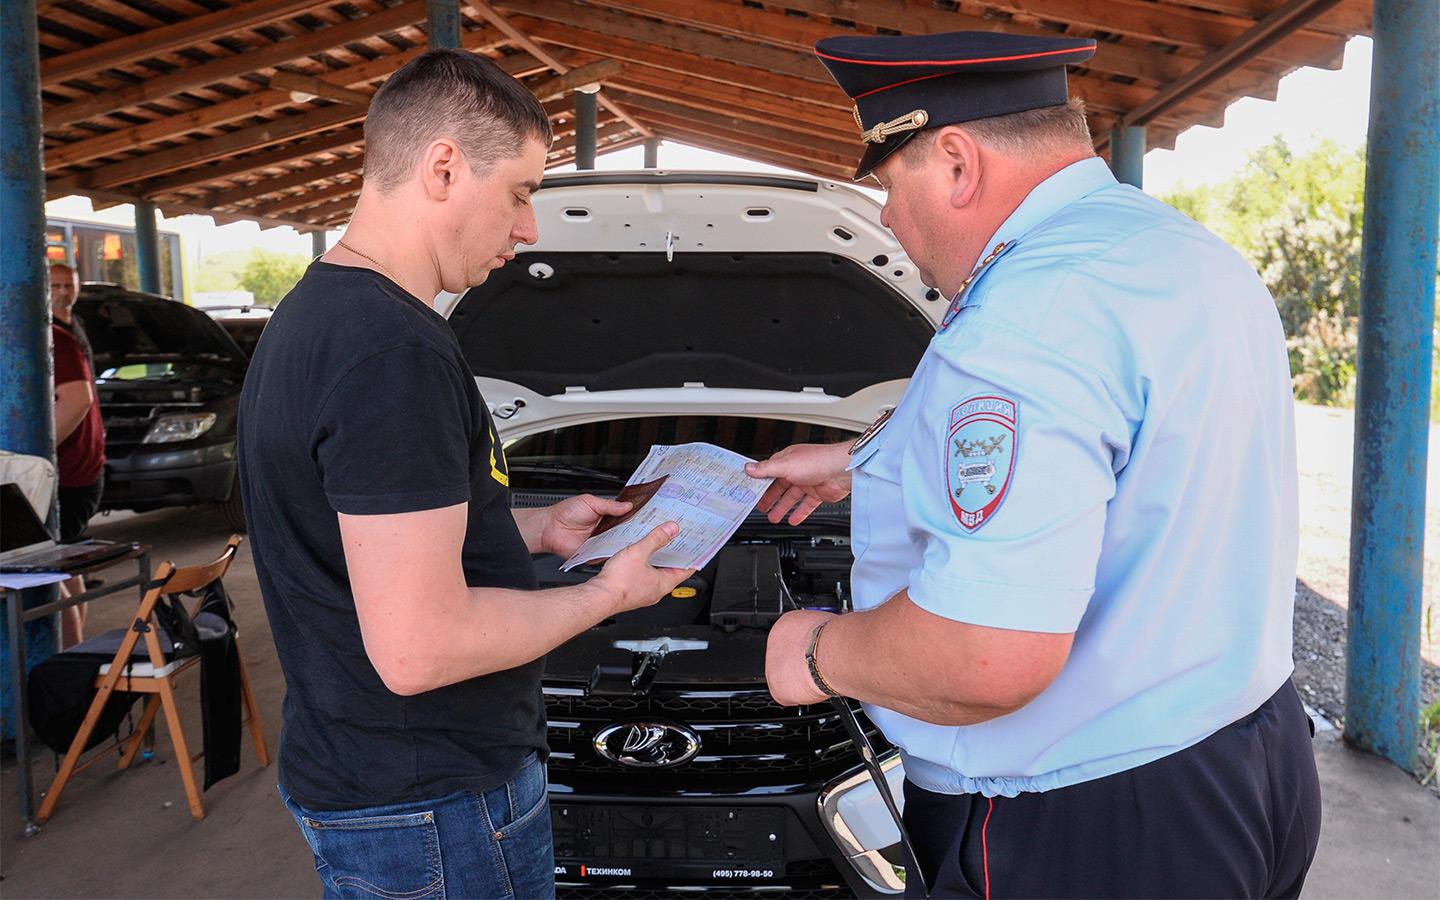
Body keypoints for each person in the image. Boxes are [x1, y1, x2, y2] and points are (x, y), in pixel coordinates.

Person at [748, 31, 1320, 899]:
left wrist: (818, 652)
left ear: (955, 162)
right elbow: (1127, 440)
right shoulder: (1177, 254)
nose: (891, 222)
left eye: (890, 191)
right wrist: (865, 460)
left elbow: (986, 655)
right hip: (1246, 749)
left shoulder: (1024, 314)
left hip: (1089, 823)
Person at [237, 50, 692, 899]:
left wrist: (535, 528)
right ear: (443, 167)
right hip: (434, 800)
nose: (531, 229)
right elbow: (421, 649)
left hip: (370, 777)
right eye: (521, 192)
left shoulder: (321, 316)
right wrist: (606, 596)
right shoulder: (390, 351)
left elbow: (365, 536)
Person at [50, 262, 105, 647]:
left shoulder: (58, 336)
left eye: (68, 284)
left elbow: (78, 399)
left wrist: (35, 452)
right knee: (66, 561)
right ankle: (77, 654)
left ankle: (68, 664)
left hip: (69, 471)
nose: (62, 291)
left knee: (50, 573)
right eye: (55, 285)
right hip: (81, 467)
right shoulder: (66, 332)